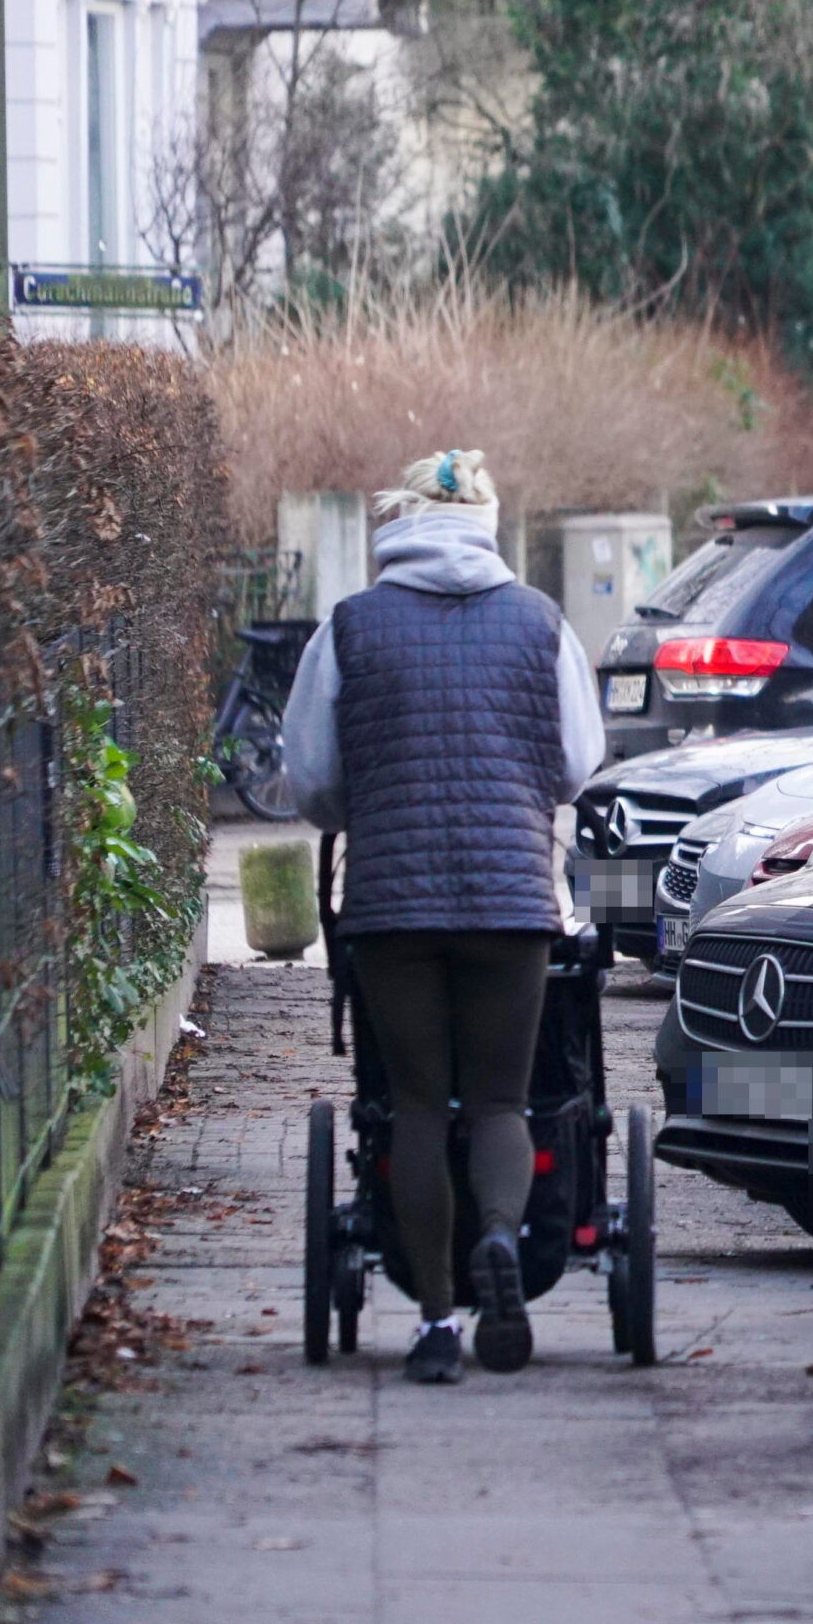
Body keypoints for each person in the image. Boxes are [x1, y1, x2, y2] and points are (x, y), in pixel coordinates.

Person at [282, 450, 604, 1382]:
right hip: (510, 899)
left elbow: (313, 782)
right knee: (502, 1100)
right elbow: (576, 767)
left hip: (393, 904)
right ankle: (500, 1238)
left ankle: (433, 1323)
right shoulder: (543, 623)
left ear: (400, 521)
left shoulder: (349, 627)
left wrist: (377, 801)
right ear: (489, 521)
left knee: (417, 1107)